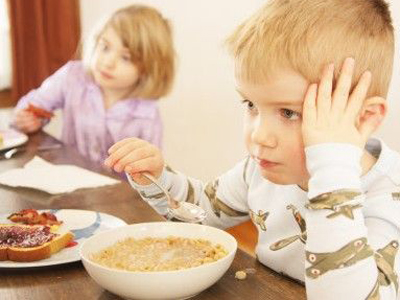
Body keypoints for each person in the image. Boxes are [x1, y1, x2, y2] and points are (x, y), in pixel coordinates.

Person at [104, 0, 399, 298]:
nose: (259, 135)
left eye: (288, 112)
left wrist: (332, 167)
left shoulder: (388, 199)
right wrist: (159, 179)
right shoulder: (260, 169)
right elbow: (203, 212)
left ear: (362, 119)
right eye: (251, 105)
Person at [12, 5, 175, 163]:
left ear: (148, 68)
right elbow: (30, 105)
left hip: (119, 190)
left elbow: (151, 173)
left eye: (126, 57)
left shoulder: (147, 115)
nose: (108, 62)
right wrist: (28, 119)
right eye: (105, 47)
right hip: (67, 180)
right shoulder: (72, 76)